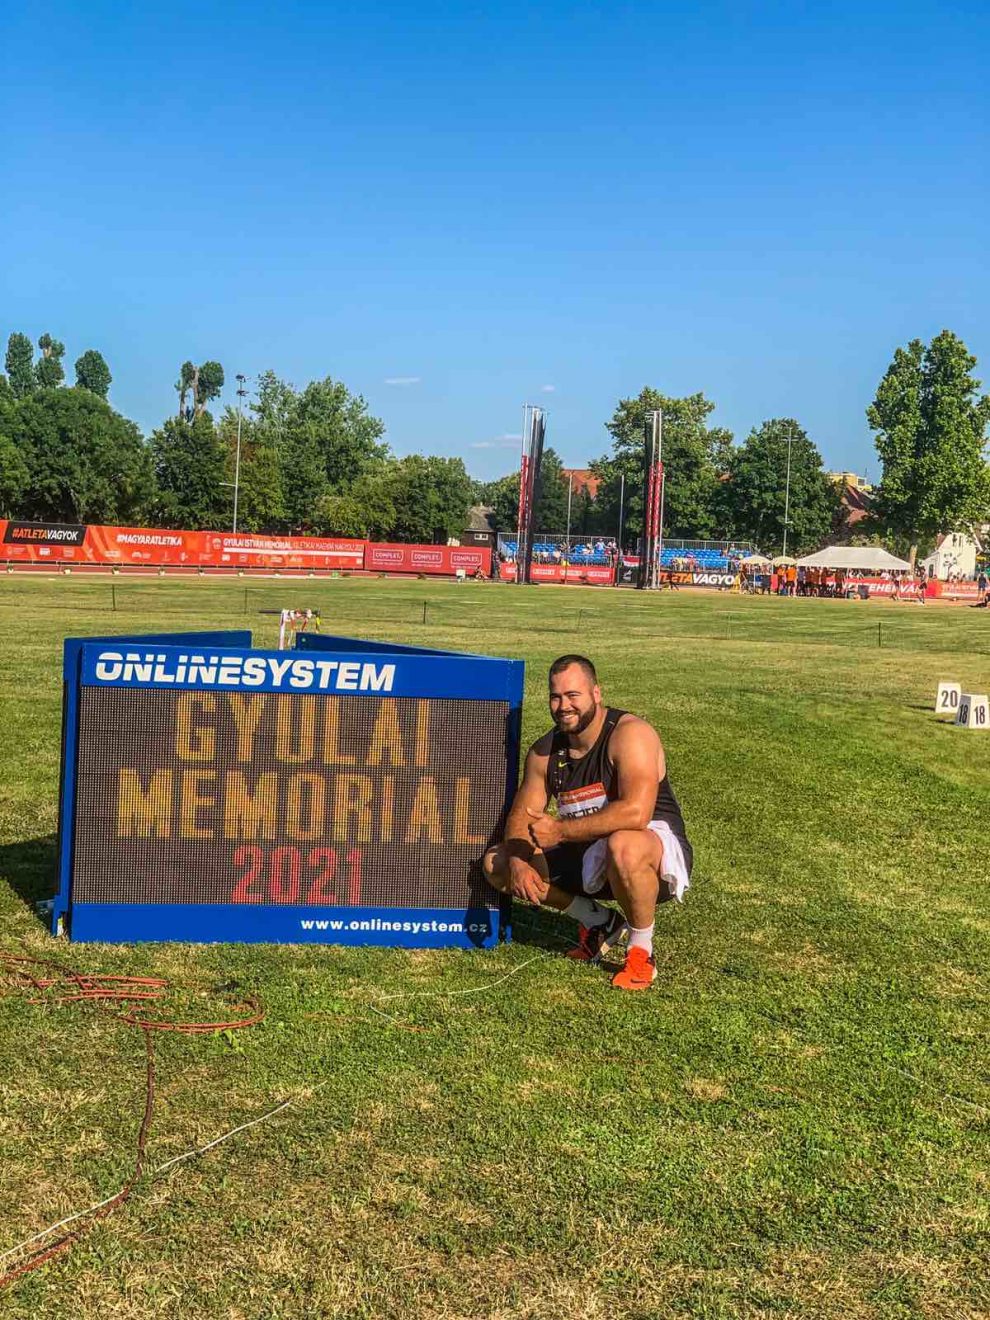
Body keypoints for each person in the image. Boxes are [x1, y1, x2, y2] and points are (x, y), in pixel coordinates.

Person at [483, 655, 693, 991]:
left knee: (623, 844)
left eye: (573, 695)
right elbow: (522, 815)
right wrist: (519, 861)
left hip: (650, 856)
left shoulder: (631, 734)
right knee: (498, 862)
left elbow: (637, 814)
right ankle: (598, 921)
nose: (563, 706)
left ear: (596, 694)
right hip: (587, 852)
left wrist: (560, 830)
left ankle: (641, 952)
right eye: (555, 697)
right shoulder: (545, 751)